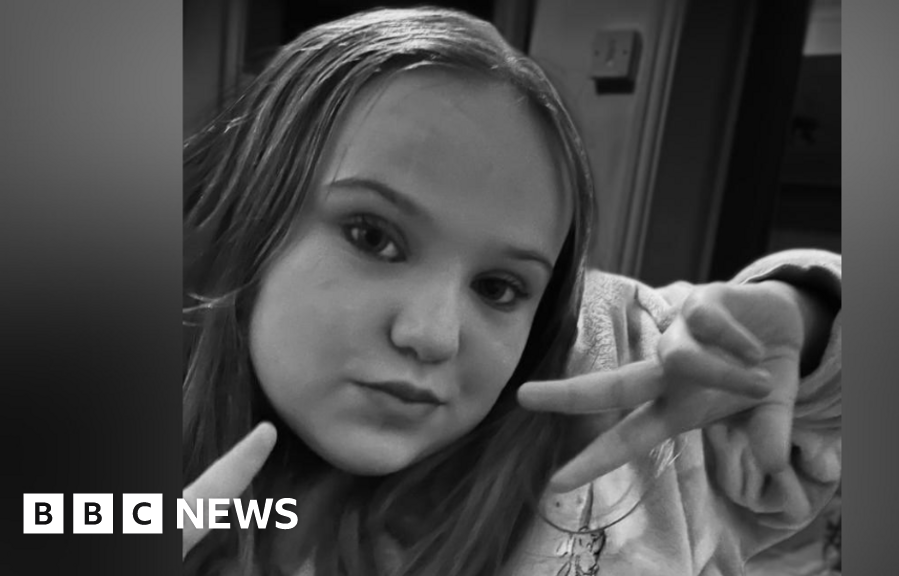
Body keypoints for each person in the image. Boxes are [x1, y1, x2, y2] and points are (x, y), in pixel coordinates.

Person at [182, 7, 841, 576]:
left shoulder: (625, 381)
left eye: (499, 287)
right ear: (249, 219)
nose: (433, 335)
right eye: (373, 236)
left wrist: (805, 314)